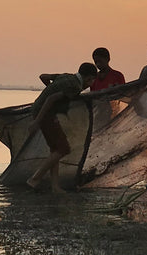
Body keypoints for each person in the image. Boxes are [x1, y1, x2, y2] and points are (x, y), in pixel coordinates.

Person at [26, 63, 98, 193]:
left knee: (55, 149)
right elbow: (50, 99)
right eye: (92, 80)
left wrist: (51, 88)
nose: (91, 84)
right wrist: (37, 122)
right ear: (89, 78)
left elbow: (43, 76)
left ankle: (55, 186)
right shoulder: (75, 86)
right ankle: (35, 178)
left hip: (41, 109)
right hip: (44, 113)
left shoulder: (66, 76)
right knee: (63, 148)